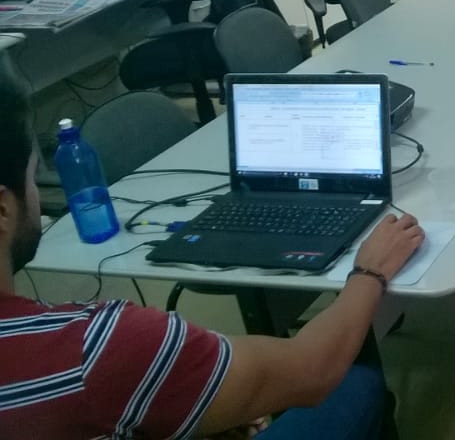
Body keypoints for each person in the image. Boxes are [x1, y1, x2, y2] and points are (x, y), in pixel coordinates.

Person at [0, 74, 427, 438]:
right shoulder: (98, 347)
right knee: (356, 383)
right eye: (34, 177)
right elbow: (313, 372)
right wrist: (369, 272)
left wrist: (203, 400)